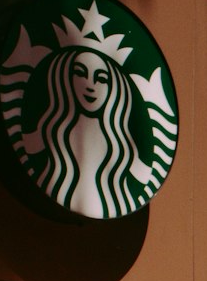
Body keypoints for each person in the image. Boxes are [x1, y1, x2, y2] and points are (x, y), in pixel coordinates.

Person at [21, 46, 151, 219]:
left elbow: (144, 176)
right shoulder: (52, 128)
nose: (90, 85)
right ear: (65, 79)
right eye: (80, 74)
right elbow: (26, 145)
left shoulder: (119, 141)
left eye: (101, 79)